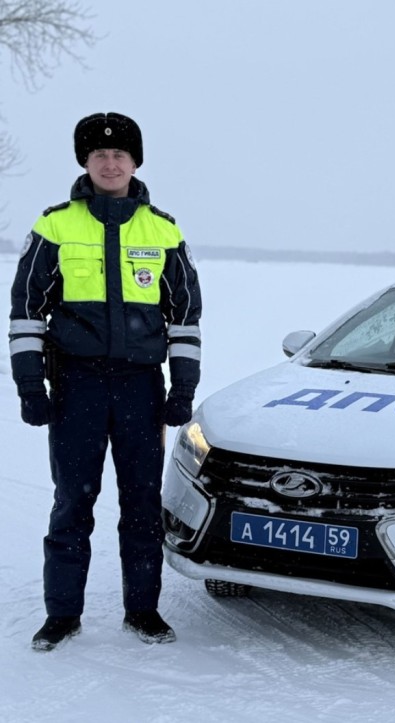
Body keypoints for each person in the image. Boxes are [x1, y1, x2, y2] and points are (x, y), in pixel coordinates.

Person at [8, 112, 202, 651]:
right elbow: (26, 312)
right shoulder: (55, 226)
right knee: (73, 502)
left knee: (141, 504)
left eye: (120, 155)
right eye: (100, 155)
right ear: (85, 162)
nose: (110, 163)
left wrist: (183, 388)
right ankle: (62, 614)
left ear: (135, 162)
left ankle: (142, 611)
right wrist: (30, 386)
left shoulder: (163, 230)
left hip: (141, 387)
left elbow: (185, 318)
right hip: (78, 385)